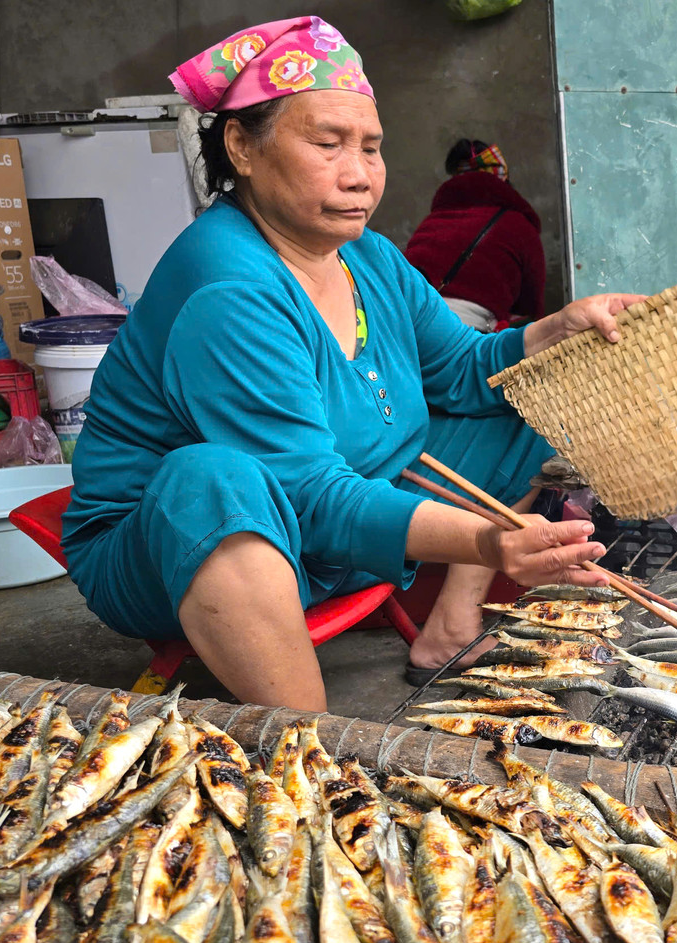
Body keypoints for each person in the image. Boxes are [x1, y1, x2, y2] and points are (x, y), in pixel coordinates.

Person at [61, 16, 643, 711]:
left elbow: (462, 368)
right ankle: (317, 756)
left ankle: (450, 626)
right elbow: (309, 494)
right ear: (242, 147)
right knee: (211, 478)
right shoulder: (228, 287)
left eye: (371, 148)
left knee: (539, 393)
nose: (360, 174)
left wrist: (556, 330)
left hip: (338, 508)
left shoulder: (367, 255)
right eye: (327, 143)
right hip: (187, 542)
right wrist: (492, 540)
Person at [404, 139, 545, 331]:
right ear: (503, 180)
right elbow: (532, 307)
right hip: (470, 336)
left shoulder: (430, 222)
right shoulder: (518, 225)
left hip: (410, 328)